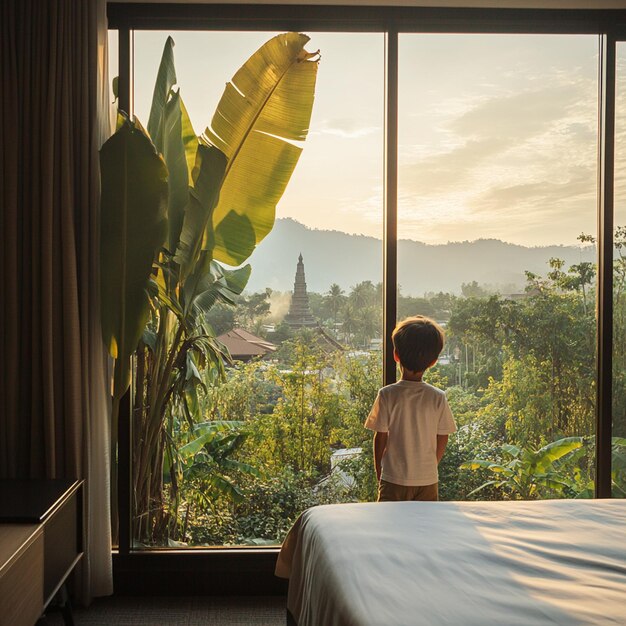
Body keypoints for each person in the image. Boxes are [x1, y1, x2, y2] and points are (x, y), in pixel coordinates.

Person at [364, 315, 457, 502]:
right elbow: (443, 436)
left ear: (395, 355)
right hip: (428, 480)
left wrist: (379, 472)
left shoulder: (387, 394)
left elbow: (380, 437)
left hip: (393, 478)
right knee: (424, 526)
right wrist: (432, 465)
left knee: (390, 525)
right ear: (433, 361)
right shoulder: (437, 397)